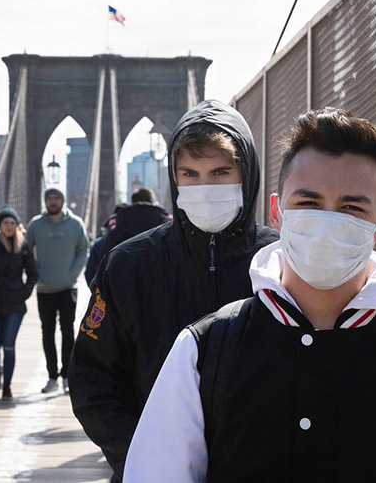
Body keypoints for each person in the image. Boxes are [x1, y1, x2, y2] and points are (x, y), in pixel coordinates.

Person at [123, 108, 376, 482]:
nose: (328, 221)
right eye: (309, 203)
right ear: (277, 212)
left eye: (351, 207)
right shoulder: (203, 349)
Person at [68, 99, 280, 482]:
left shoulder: (281, 263)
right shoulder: (128, 266)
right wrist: (147, 458)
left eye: (220, 172)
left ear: (246, 175)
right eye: (190, 174)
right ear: (174, 178)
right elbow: (91, 380)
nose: (205, 187)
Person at [25, 188, 89, 394]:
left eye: (56, 198)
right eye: (49, 199)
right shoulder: (35, 224)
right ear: (45, 201)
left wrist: (73, 274)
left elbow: (83, 251)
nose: (53, 202)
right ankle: (51, 376)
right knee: (47, 333)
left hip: (67, 287)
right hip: (44, 288)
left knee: (68, 332)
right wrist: (36, 273)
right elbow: (26, 252)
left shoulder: (76, 224)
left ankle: (67, 376)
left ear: (62, 200)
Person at [0, 206, 38, 401]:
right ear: (0, 225)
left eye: (12, 223)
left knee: (9, 346)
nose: (9, 227)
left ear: (16, 225)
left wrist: (25, 293)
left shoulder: (23, 247)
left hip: (15, 304)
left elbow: (33, 274)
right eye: (5, 223)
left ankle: (7, 387)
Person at [84, 188, 169, 285]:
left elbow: (93, 274)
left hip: (120, 296)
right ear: (154, 203)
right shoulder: (169, 230)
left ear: (132, 203)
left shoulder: (113, 234)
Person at [84, 203, 130, 286]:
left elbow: (89, 272)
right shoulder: (134, 235)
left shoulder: (100, 241)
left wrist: (96, 291)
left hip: (105, 286)